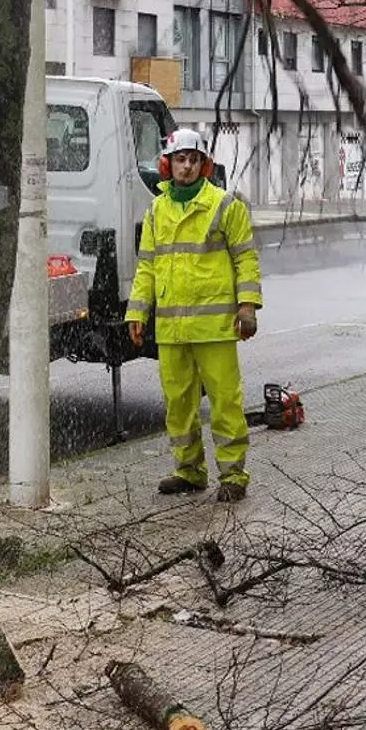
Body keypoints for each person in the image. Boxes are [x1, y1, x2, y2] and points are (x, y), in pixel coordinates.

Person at [125, 129, 261, 503]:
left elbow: (245, 258)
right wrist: (137, 312)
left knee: (225, 402)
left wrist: (247, 307)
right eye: (180, 159)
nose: (186, 166)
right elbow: (147, 267)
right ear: (168, 165)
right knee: (178, 403)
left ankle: (233, 475)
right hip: (171, 328)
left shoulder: (224, 206)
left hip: (215, 326)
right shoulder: (157, 210)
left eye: (193, 159)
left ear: (204, 165)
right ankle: (189, 470)